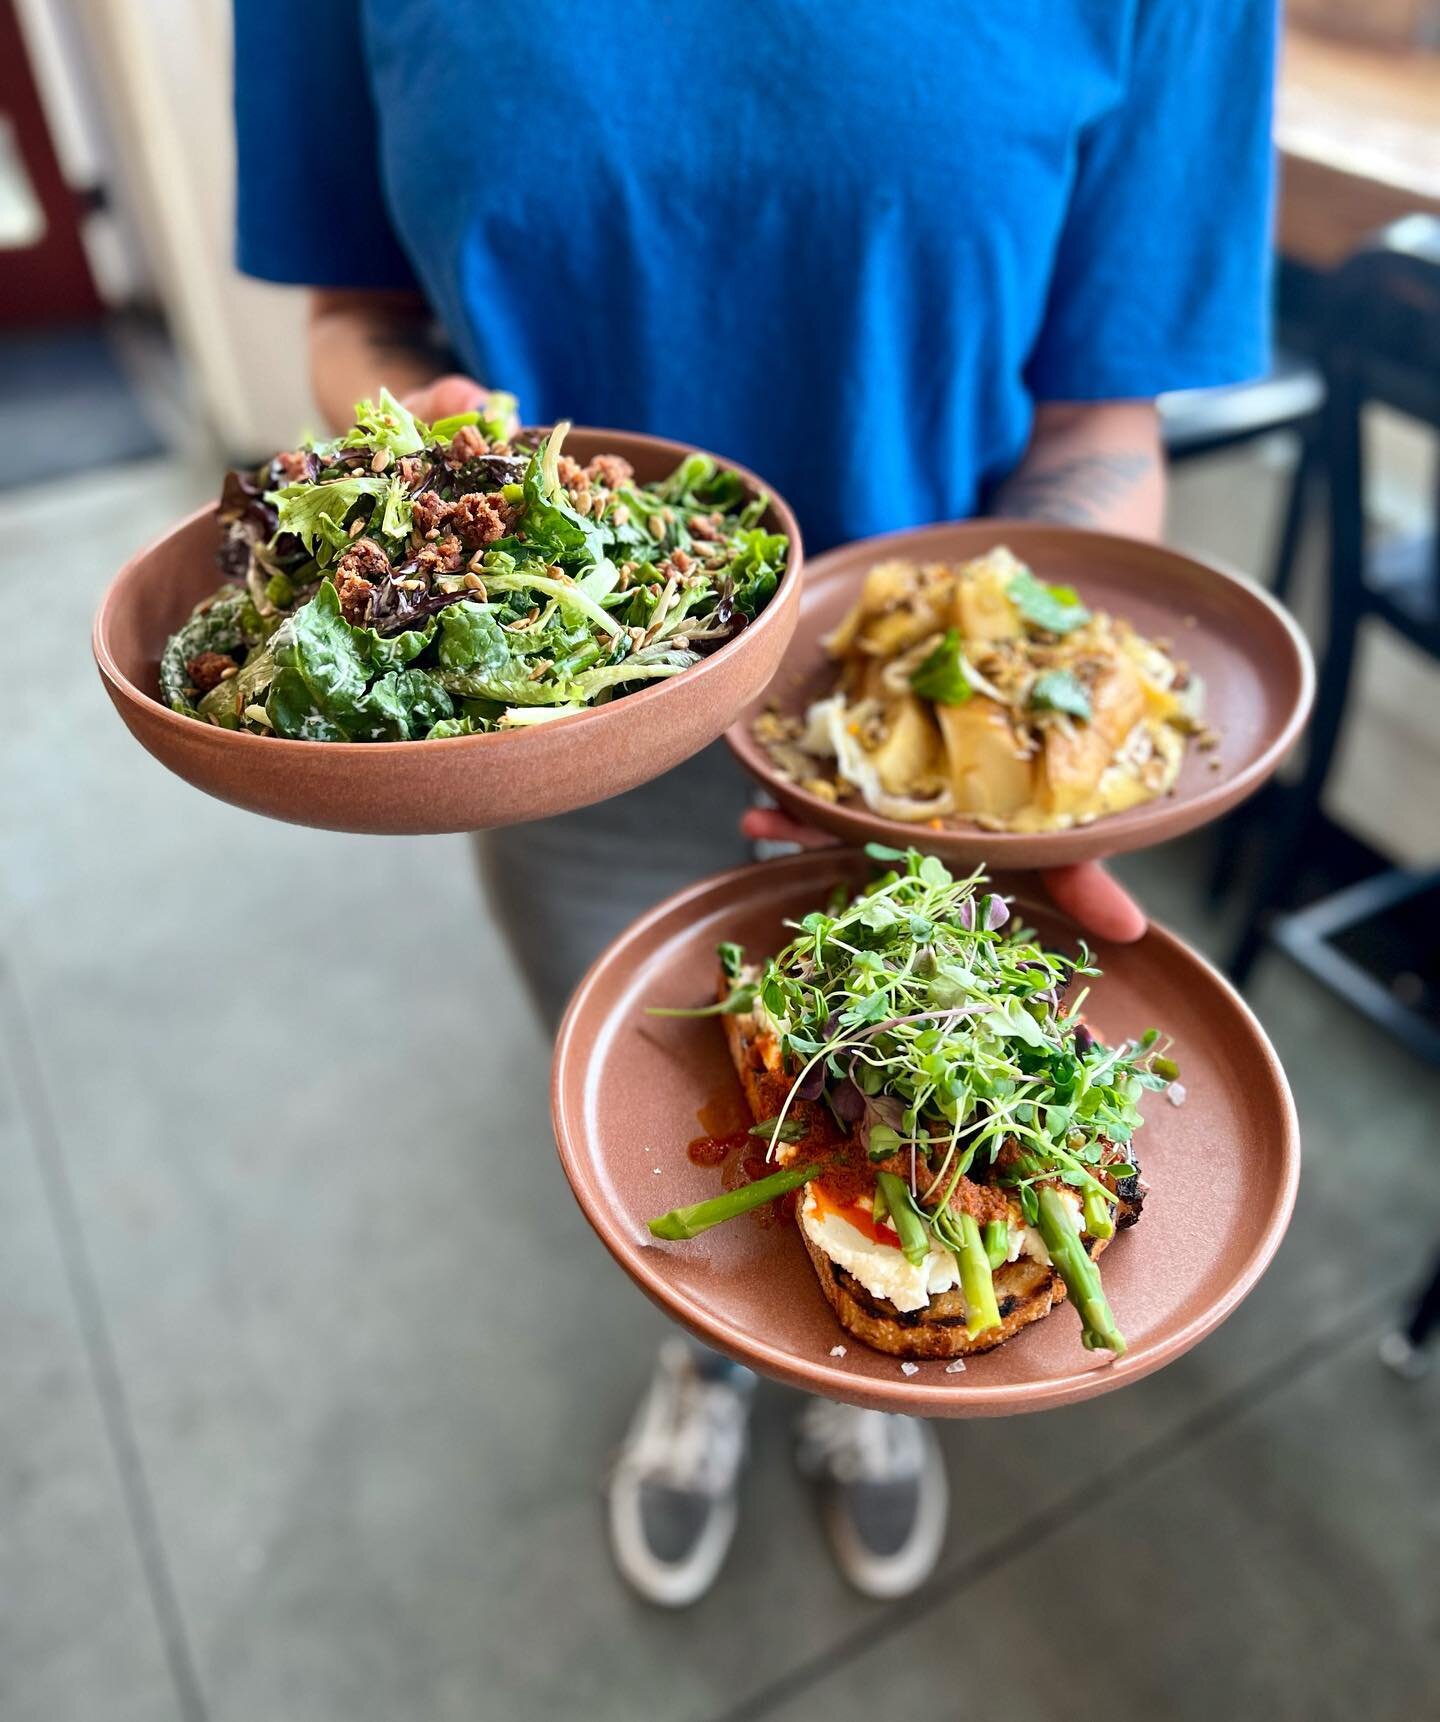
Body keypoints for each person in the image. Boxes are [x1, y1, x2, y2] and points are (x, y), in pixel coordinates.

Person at [234, 0, 1274, 1607]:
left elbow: (1101, 424)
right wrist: (423, 437)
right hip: (565, 737)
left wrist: (1007, 739)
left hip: (917, 769)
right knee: (668, 1153)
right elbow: (351, 309)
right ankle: (711, 1356)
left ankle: (858, 1385)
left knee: (921, 1154)